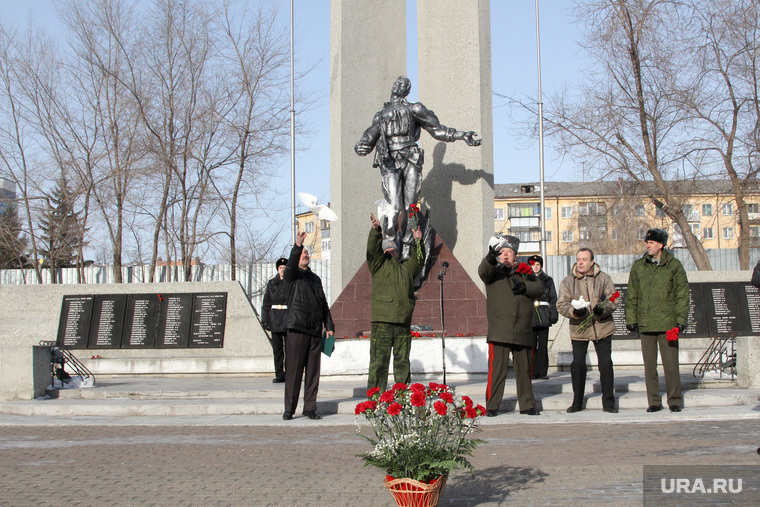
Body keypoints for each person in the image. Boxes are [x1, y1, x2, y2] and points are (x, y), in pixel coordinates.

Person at [355, 76, 481, 259]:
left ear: (407, 91)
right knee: (394, 205)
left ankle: (408, 245)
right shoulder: (381, 115)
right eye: (398, 83)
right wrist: (361, 145)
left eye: (405, 85)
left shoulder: (414, 109)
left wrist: (462, 135)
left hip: (411, 158)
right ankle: (388, 245)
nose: (401, 85)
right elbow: (369, 136)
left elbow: (437, 129)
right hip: (390, 160)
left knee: (411, 206)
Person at [478, 234, 544, 416]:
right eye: (502, 252)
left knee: (524, 372)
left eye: (509, 252)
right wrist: (490, 258)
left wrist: (526, 287)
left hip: (522, 329)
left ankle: (527, 405)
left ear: (515, 255)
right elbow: (483, 271)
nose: (505, 255)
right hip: (500, 331)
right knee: (497, 371)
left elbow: (539, 288)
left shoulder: (525, 272)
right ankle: (492, 406)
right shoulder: (493, 274)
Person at [625, 228, 689, 413]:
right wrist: (631, 319)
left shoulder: (674, 266)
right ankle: (653, 401)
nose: (648, 245)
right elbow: (632, 295)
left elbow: (682, 294)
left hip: (668, 324)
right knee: (649, 367)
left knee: (671, 365)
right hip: (646, 324)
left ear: (661, 245)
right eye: (647, 242)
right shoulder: (638, 266)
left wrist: (680, 319)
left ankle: (674, 399)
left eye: (651, 243)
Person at [557, 248, 619, 413]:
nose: (581, 262)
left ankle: (609, 402)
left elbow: (613, 297)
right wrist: (574, 312)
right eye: (578, 259)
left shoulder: (604, 278)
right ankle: (577, 402)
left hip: (602, 327)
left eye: (584, 259)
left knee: (605, 363)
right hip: (579, 328)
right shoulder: (568, 281)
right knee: (578, 364)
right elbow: (561, 304)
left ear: (592, 262)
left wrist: (603, 309)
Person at [367, 213, 424, 390]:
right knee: (379, 363)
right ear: (383, 252)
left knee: (402, 363)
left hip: (402, 322)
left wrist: (417, 242)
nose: (392, 251)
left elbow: (419, 260)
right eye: (388, 250)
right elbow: (372, 250)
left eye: (394, 249)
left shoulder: (406, 268)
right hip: (383, 322)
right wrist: (376, 231)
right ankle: (375, 400)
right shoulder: (378, 264)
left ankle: (402, 398)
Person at [282, 232, 334, 421]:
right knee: (294, 372)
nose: (305, 254)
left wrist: (329, 326)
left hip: (314, 332)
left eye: (306, 252)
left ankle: (310, 407)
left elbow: (323, 305)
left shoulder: (315, 279)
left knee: (313, 374)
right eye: (302, 253)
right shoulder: (292, 276)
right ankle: (289, 409)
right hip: (297, 328)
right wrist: (297, 245)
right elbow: (289, 267)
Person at [526, 255, 558, 380]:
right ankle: (533, 371)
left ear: (541, 266)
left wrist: (553, 315)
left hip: (544, 314)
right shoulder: (527, 278)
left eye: (538, 264)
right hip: (531, 315)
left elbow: (553, 298)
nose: (535, 267)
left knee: (543, 345)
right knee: (532, 344)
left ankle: (543, 372)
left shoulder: (548, 280)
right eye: (533, 264)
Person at [261, 258, 289, 383]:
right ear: (278, 269)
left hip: (287, 318)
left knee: (289, 350)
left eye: (284, 267)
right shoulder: (272, 283)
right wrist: (265, 319)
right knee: (277, 350)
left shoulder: (290, 282)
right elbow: (266, 302)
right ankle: (279, 374)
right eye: (280, 268)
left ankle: (289, 374)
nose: (282, 269)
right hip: (275, 319)